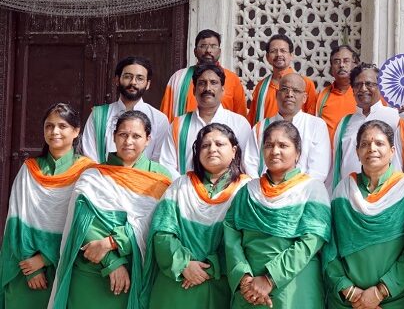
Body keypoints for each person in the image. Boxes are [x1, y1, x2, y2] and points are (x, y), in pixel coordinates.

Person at [49, 110, 173, 309]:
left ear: (148, 139)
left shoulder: (161, 177)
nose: (128, 141)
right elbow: (82, 221)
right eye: (123, 134)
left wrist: (113, 242)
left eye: (136, 136)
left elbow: (160, 224)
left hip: (138, 268)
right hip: (91, 270)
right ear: (114, 136)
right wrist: (111, 261)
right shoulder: (93, 175)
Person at [224, 120, 331, 309]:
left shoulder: (313, 189)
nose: (275, 151)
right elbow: (231, 234)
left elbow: (310, 242)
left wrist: (269, 278)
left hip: (294, 288)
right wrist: (243, 276)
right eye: (269, 145)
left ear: (297, 152)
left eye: (283, 145)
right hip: (248, 289)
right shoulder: (248, 191)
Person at [143, 123, 251, 309]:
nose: (212, 149)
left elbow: (247, 240)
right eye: (205, 145)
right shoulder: (180, 186)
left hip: (221, 285)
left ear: (234, 151)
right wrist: (184, 264)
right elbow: (162, 232)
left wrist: (213, 266)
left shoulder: (247, 190)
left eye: (219, 144)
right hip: (175, 284)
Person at [0, 103, 94, 309]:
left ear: (76, 131)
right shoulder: (29, 169)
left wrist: (45, 258)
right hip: (24, 266)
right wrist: (31, 265)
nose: (55, 132)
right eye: (49, 126)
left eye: (62, 126)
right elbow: (15, 220)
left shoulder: (88, 172)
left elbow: (86, 225)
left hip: (68, 263)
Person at [324, 120, 404, 308]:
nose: (371, 148)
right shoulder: (344, 190)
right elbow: (330, 246)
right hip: (348, 300)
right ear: (357, 152)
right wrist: (348, 290)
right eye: (365, 144)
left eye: (379, 143)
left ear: (392, 151)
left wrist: (380, 291)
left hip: (395, 298)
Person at [160, 64, 255, 176]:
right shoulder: (178, 124)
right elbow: (166, 166)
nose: (208, 88)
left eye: (213, 83)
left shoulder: (239, 123)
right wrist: (188, 189)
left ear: (223, 90)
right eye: (202, 83)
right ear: (194, 91)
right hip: (186, 191)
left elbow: (247, 165)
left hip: (230, 192)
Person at [82, 56, 169, 163]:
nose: (133, 82)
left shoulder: (159, 119)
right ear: (117, 80)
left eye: (140, 78)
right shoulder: (98, 115)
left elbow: (159, 161)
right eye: (127, 77)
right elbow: (89, 158)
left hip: (145, 179)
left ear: (148, 84)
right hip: (101, 178)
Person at [329, 63, 400, 190]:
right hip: (349, 192)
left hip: (386, 192)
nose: (363, 89)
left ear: (380, 87)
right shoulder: (345, 122)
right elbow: (336, 165)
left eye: (369, 84)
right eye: (358, 85)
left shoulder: (395, 117)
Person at [248, 73, 330, 181]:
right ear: (276, 94)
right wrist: (266, 192)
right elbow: (249, 165)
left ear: (304, 97)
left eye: (295, 91)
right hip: (263, 193)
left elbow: (318, 170)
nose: (289, 94)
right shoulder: (260, 127)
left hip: (303, 194)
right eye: (285, 89)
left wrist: (291, 192)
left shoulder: (316, 126)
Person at [159, 29, 248, 121]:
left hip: (221, 133)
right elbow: (165, 118)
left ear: (219, 51)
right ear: (195, 51)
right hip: (185, 132)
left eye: (213, 46)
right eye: (203, 46)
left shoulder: (233, 79)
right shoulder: (178, 78)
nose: (208, 50)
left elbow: (240, 117)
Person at [248, 34, 318, 125]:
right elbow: (252, 120)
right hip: (266, 136)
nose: (279, 54)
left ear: (291, 55)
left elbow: (311, 120)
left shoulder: (305, 83)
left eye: (283, 51)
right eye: (273, 51)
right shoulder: (261, 87)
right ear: (267, 57)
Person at [304, 45, 359, 143]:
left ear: (355, 65)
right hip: (327, 156)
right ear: (331, 69)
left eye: (346, 61)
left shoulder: (363, 94)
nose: (341, 65)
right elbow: (309, 129)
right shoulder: (321, 97)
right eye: (336, 61)